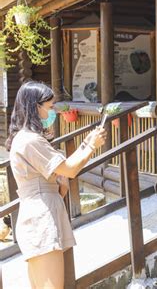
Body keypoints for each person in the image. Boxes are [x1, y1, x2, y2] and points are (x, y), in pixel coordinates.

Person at [6, 81, 107, 288]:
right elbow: (69, 169)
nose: (53, 111)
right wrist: (90, 146)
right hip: (42, 219)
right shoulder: (31, 140)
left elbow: (63, 169)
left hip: (40, 214)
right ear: (35, 106)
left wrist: (86, 144)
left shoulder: (26, 139)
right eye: (50, 107)